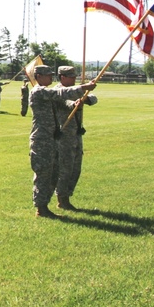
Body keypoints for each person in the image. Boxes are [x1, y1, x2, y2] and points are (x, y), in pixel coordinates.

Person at [28, 65, 96, 218]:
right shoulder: (38, 91)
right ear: (38, 76)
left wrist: (77, 101)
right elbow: (59, 92)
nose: (51, 78)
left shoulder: (46, 92)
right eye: (47, 75)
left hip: (52, 138)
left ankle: (46, 206)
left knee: (53, 173)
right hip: (41, 139)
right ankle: (41, 208)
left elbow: (62, 98)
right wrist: (83, 87)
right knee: (43, 173)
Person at [55, 66, 98, 210]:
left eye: (75, 76)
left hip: (76, 133)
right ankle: (62, 198)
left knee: (75, 168)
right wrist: (74, 103)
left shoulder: (76, 89)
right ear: (62, 77)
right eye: (70, 76)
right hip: (64, 134)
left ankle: (67, 195)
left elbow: (93, 98)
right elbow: (64, 102)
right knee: (65, 168)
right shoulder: (57, 91)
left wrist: (84, 100)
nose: (74, 79)